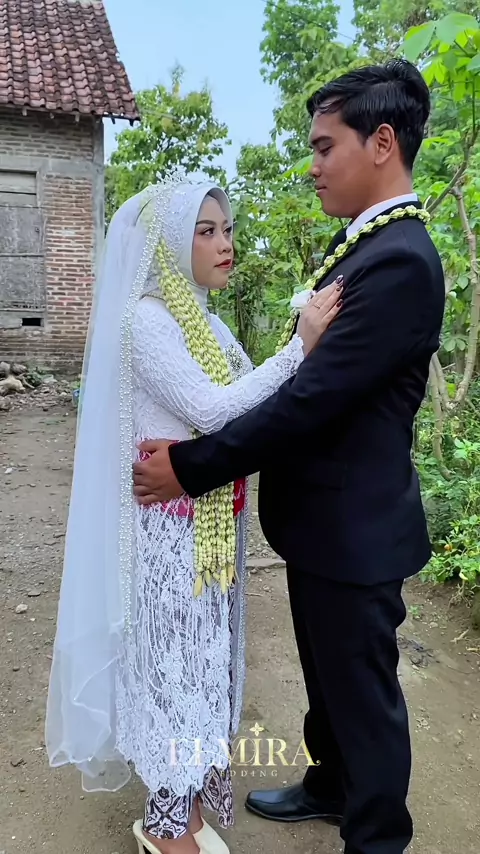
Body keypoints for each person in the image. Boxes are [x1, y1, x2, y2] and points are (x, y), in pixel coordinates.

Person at [131, 60, 446, 854]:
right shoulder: (364, 245)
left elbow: (310, 400)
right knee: (327, 674)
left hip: (355, 525)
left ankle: (375, 836)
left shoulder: (399, 261)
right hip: (322, 521)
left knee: (363, 695)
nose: (312, 165)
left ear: (382, 143)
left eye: (323, 146)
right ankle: (331, 785)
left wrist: (191, 467)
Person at [45, 177, 342, 854]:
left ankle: (185, 810)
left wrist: (297, 353)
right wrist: (299, 347)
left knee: (206, 667)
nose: (223, 243)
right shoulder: (146, 320)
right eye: (204, 231)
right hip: (169, 533)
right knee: (172, 670)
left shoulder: (208, 324)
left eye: (227, 229)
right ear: (170, 244)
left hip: (210, 526)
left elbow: (253, 400)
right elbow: (213, 408)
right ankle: (164, 824)